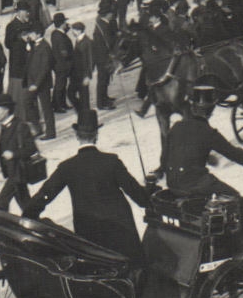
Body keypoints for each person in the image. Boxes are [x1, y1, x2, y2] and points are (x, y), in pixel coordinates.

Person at [27, 111, 151, 262]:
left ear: (77, 136)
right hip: (121, 231)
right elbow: (135, 192)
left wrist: (28, 215)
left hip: (89, 231)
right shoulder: (111, 161)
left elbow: (45, 194)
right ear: (96, 135)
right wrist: (149, 197)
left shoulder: (67, 167)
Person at [158, 87, 243, 200]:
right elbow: (232, 153)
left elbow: (164, 160)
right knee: (234, 198)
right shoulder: (208, 132)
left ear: (192, 107)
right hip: (195, 185)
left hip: (173, 184)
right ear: (211, 110)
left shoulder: (176, 127)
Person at [0, 93, 40, 211]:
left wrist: (14, 154)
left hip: (18, 172)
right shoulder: (4, 126)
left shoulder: (20, 126)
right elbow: (3, 148)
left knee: (1, 202)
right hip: (13, 172)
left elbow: (32, 148)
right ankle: (37, 225)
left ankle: (3, 226)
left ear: (6, 110)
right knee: (26, 205)